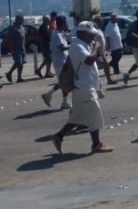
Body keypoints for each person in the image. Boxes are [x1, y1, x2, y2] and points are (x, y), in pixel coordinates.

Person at [51, 21, 113, 154]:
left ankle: (59, 136)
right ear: (83, 33)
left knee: (78, 117)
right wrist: (96, 48)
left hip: (85, 86)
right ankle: (96, 144)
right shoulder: (77, 46)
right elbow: (89, 60)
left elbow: (94, 62)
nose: (93, 37)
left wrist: (97, 51)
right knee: (94, 115)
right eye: (91, 34)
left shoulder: (85, 44)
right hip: (84, 87)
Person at [41, 15, 72, 110]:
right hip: (60, 62)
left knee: (63, 82)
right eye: (65, 23)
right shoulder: (57, 35)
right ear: (62, 24)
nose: (66, 25)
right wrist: (73, 45)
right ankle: (63, 101)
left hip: (63, 61)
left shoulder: (59, 33)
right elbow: (62, 48)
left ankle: (50, 95)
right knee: (65, 82)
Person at [3, 15, 27, 83]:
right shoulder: (12, 27)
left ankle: (19, 77)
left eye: (22, 19)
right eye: (21, 19)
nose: (22, 21)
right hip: (15, 48)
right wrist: (10, 48)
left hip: (22, 48)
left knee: (21, 63)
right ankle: (9, 73)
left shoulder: (22, 27)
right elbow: (9, 37)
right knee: (18, 62)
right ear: (17, 20)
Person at [104, 12, 124, 77]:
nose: (116, 19)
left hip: (118, 44)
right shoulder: (109, 26)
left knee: (117, 57)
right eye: (115, 18)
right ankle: (108, 65)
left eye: (116, 17)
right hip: (114, 45)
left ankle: (116, 71)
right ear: (112, 18)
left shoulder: (115, 24)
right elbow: (107, 36)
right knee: (117, 57)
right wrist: (108, 44)